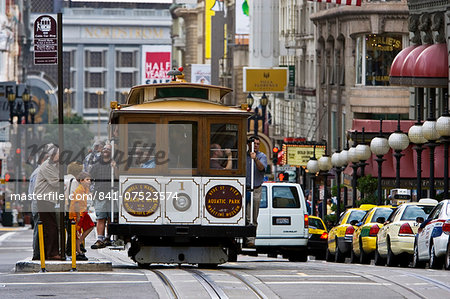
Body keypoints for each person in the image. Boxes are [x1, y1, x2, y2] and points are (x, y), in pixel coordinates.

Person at [34, 144, 61, 260]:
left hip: (48, 199)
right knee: (50, 227)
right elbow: (56, 182)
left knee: (51, 226)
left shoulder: (53, 165)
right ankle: (50, 253)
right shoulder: (47, 166)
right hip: (44, 199)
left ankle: (50, 253)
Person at [90, 144, 116, 249]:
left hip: (112, 193)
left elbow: (118, 177)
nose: (105, 150)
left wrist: (115, 168)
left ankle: (108, 238)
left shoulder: (114, 164)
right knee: (100, 218)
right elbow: (90, 179)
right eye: (104, 148)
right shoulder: (96, 165)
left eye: (108, 149)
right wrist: (91, 192)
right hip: (100, 194)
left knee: (111, 217)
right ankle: (100, 239)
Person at [29, 146, 51, 260]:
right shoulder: (40, 172)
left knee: (40, 227)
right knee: (40, 227)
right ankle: (37, 253)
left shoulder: (37, 171)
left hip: (37, 201)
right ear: (43, 160)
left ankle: (39, 252)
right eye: (48, 158)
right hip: (39, 202)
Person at [245, 136, 267, 246]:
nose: (257, 145)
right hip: (244, 188)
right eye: (254, 143)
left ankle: (251, 239)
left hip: (256, 188)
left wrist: (255, 159)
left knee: (253, 215)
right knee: (245, 214)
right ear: (249, 144)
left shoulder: (262, 156)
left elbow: (261, 168)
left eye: (258, 144)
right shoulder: (244, 156)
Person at [69, 172, 95, 260]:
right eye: (87, 180)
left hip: (83, 211)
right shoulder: (79, 190)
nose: (89, 181)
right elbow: (76, 203)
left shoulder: (85, 189)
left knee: (90, 226)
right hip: (77, 213)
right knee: (77, 232)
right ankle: (78, 251)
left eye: (90, 180)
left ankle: (80, 242)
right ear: (81, 180)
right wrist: (78, 216)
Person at [64, 161, 83, 254]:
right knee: (72, 232)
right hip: (70, 210)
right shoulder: (74, 182)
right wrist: (78, 214)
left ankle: (65, 250)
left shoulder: (64, 179)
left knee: (66, 231)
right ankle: (71, 250)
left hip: (61, 209)